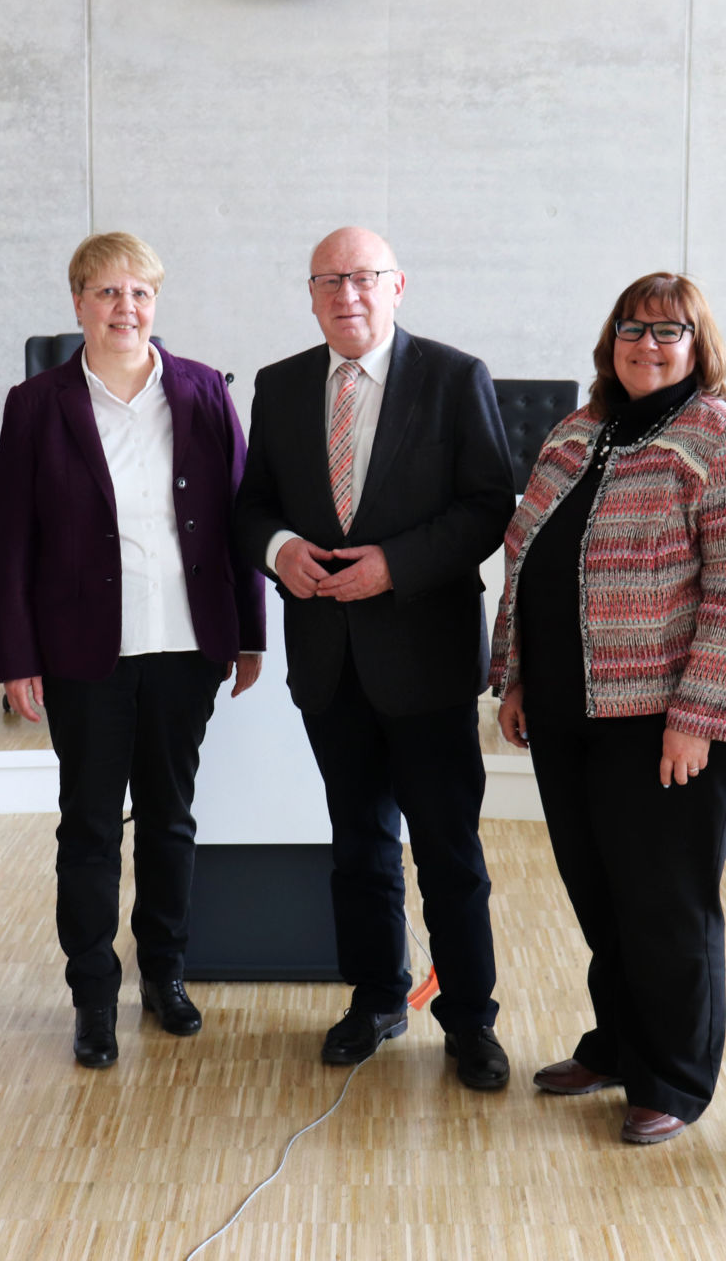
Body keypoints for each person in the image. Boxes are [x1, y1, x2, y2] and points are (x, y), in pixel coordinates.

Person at [491, 273, 726, 1144]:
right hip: (572, 706)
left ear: (699, 346)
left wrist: (698, 717)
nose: (648, 344)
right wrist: (514, 675)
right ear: (609, 341)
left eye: (670, 332)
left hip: (676, 713)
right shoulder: (576, 433)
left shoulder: (723, 437)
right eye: (633, 329)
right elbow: (527, 563)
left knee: (666, 898)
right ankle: (620, 1044)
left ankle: (675, 1077)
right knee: (602, 891)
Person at [231, 227, 517, 1089]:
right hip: (326, 656)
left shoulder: (453, 376)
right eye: (328, 281)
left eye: (363, 278)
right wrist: (279, 548)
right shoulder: (280, 386)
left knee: (447, 848)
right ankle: (377, 997)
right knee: (357, 845)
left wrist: (395, 565)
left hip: (423, 657)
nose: (346, 295)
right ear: (311, 295)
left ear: (399, 286)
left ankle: (469, 1019)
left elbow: (486, 503)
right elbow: (251, 509)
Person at [0, 232, 266, 1069]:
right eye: (107, 293)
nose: (125, 309)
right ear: (77, 303)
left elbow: (237, 520)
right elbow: (10, 543)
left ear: (156, 303)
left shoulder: (203, 392)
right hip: (82, 652)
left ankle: (166, 975)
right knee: (89, 825)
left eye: (140, 293)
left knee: (172, 820)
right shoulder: (36, 404)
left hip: (185, 644)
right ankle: (92, 994)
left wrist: (249, 632)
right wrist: (17, 656)